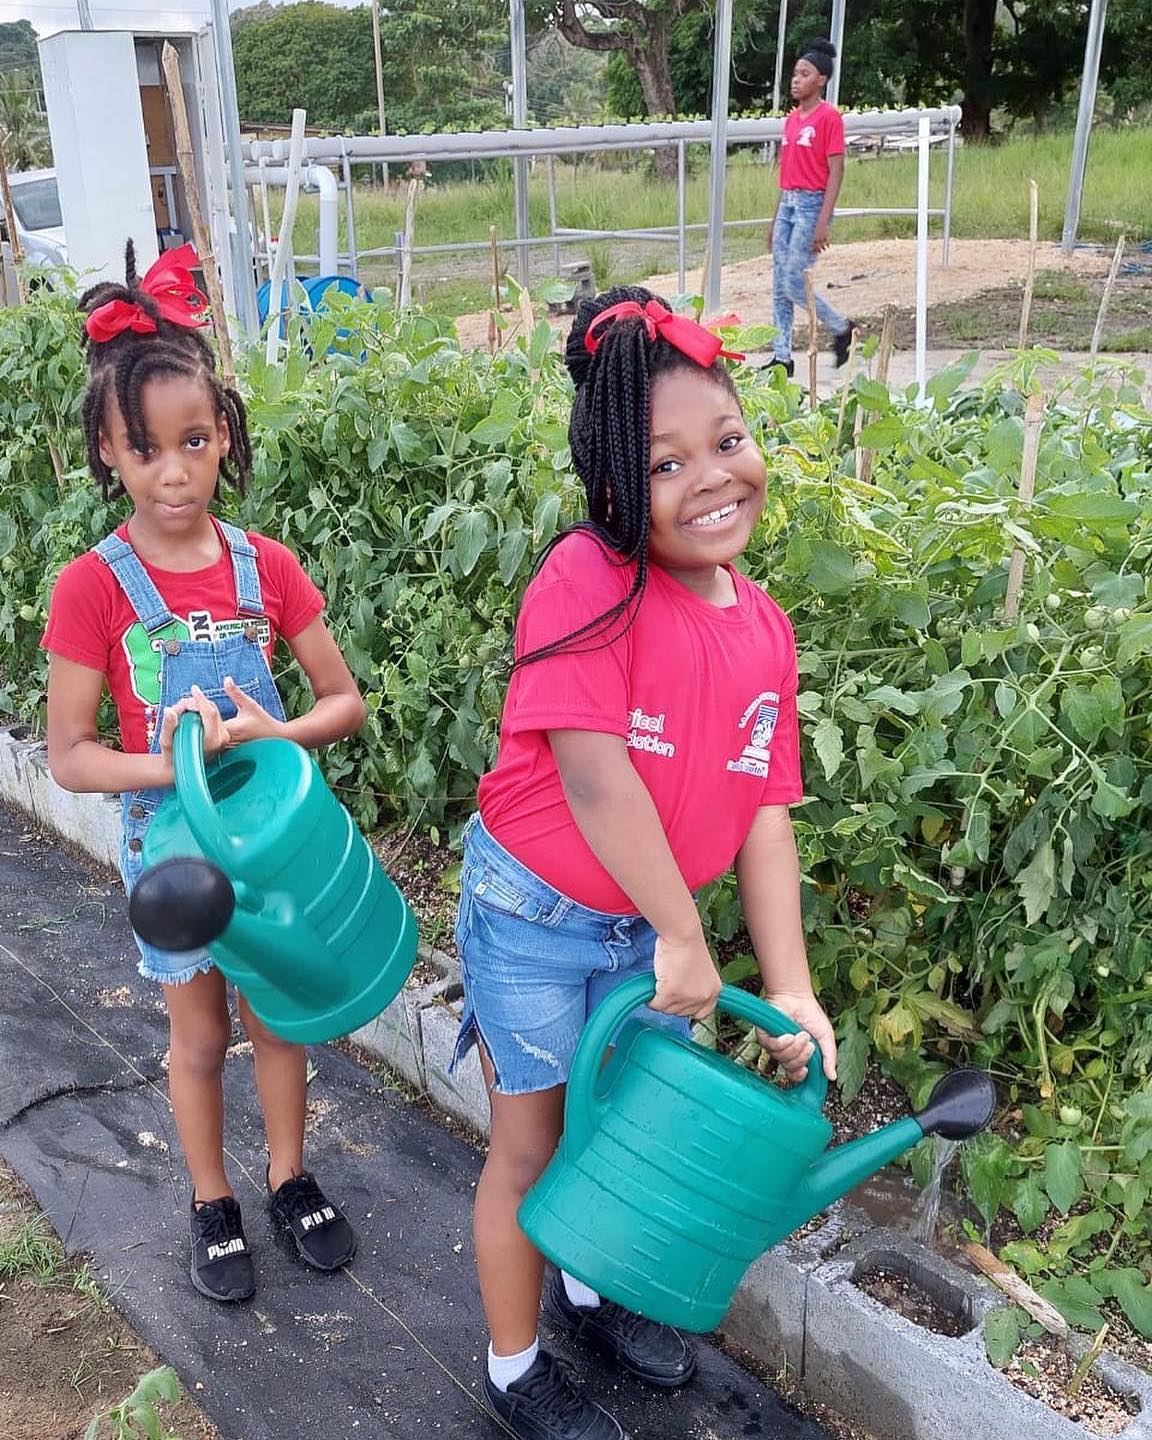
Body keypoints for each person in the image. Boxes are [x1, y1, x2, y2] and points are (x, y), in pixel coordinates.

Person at [453, 287, 839, 1440]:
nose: (714, 475)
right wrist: (682, 933)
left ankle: (589, 1287)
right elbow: (595, 777)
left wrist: (791, 985)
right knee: (529, 1143)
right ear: (618, 490)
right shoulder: (589, 578)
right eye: (668, 464)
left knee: (622, 1127)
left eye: (727, 441)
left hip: (651, 932)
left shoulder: (763, 623)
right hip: (539, 913)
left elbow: (767, 811)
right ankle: (514, 1365)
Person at [42, 243, 367, 1303]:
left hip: (273, 841)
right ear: (108, 450)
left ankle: (289, 1175)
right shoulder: (91, 589)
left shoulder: (263, 566)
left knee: (278, 1015)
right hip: (171, 850)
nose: (173, 472)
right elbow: (72, 755)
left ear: (223, 431)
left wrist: (265, 736)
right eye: (145, 451)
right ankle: (211, 1198)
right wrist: (177, 761)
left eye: (193, 442)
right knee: (196, 1034)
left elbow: (342, 702)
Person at [764, 37, 853, 377]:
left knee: (793, 281)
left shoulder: (829, 118)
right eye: (795, 73)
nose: (796, 79)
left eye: (805, 73)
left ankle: (842, 326)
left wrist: (823, 221)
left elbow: (837, 169)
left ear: (822, 80)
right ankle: (782, 356)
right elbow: (785, 175)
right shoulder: (791, 120)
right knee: (779, 283)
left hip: (812, 204)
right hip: (788, 202)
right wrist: (775, 220)